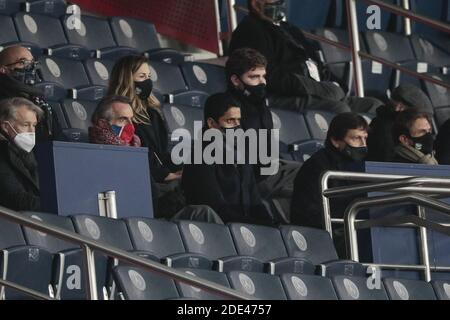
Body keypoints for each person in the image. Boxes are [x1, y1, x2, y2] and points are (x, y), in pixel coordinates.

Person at [229, 0, 383, 114]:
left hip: (318, 92)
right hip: (284, 96)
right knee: (339, 110)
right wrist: (315, 89)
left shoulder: (289, 29)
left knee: (374, 107)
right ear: (256, 4)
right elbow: (267, 76)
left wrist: (336, 85)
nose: (279, 3)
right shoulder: (250, 31)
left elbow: (316, 64)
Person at [89, 95, 223, 224]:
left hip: (154, 213)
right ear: (103, 123)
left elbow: (153, 195)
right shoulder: (95, 154)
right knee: (203, 213)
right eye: (123, 119)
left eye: (132, 119)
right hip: (139, 220)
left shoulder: (135, 149)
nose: (131, 126)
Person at [182, 92, 275, 225]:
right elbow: (217, 210)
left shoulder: (242, 155)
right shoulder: (200, 158)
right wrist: (256, 224)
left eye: (239, 120)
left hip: (242, 228)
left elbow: (255, 202)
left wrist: (272, 226)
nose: (237, 126)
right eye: (230, 121)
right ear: (212, 123)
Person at [108, 55, 184, 216]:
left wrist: (179, 168)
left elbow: (161, 151)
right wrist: (166, 174)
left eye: (149, 77)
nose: (147, 82)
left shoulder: (153, 113)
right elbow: (133, 154)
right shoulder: (115, 114)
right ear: (127, 80)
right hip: (146, 181)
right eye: (142, 77)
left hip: (161, 176)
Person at [291, 113, 369, 230]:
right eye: (356, 138)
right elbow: (309, 214)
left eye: (365, 138)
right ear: (335, 141)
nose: (363, 144)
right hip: (327, 233)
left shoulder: (362, 164)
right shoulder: (316, 166)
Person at [0, 46, 56, 141]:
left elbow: (57, 140)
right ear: (3, 70)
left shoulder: (42, 104)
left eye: (33, 63)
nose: (30, 68)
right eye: (23, 63)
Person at [367, 84, 434, 162]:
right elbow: (385, 161)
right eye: (395, 102)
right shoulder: (382, 127)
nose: (397, 108)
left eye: (404, 105)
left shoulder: (428, 156)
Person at [0, 97, 43, 211]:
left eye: (34, 125)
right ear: (6, 127)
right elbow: (16, 199)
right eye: (25, 125)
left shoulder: (26, 152)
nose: (32, 131)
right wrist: (55, 205)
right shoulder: (2, 154)